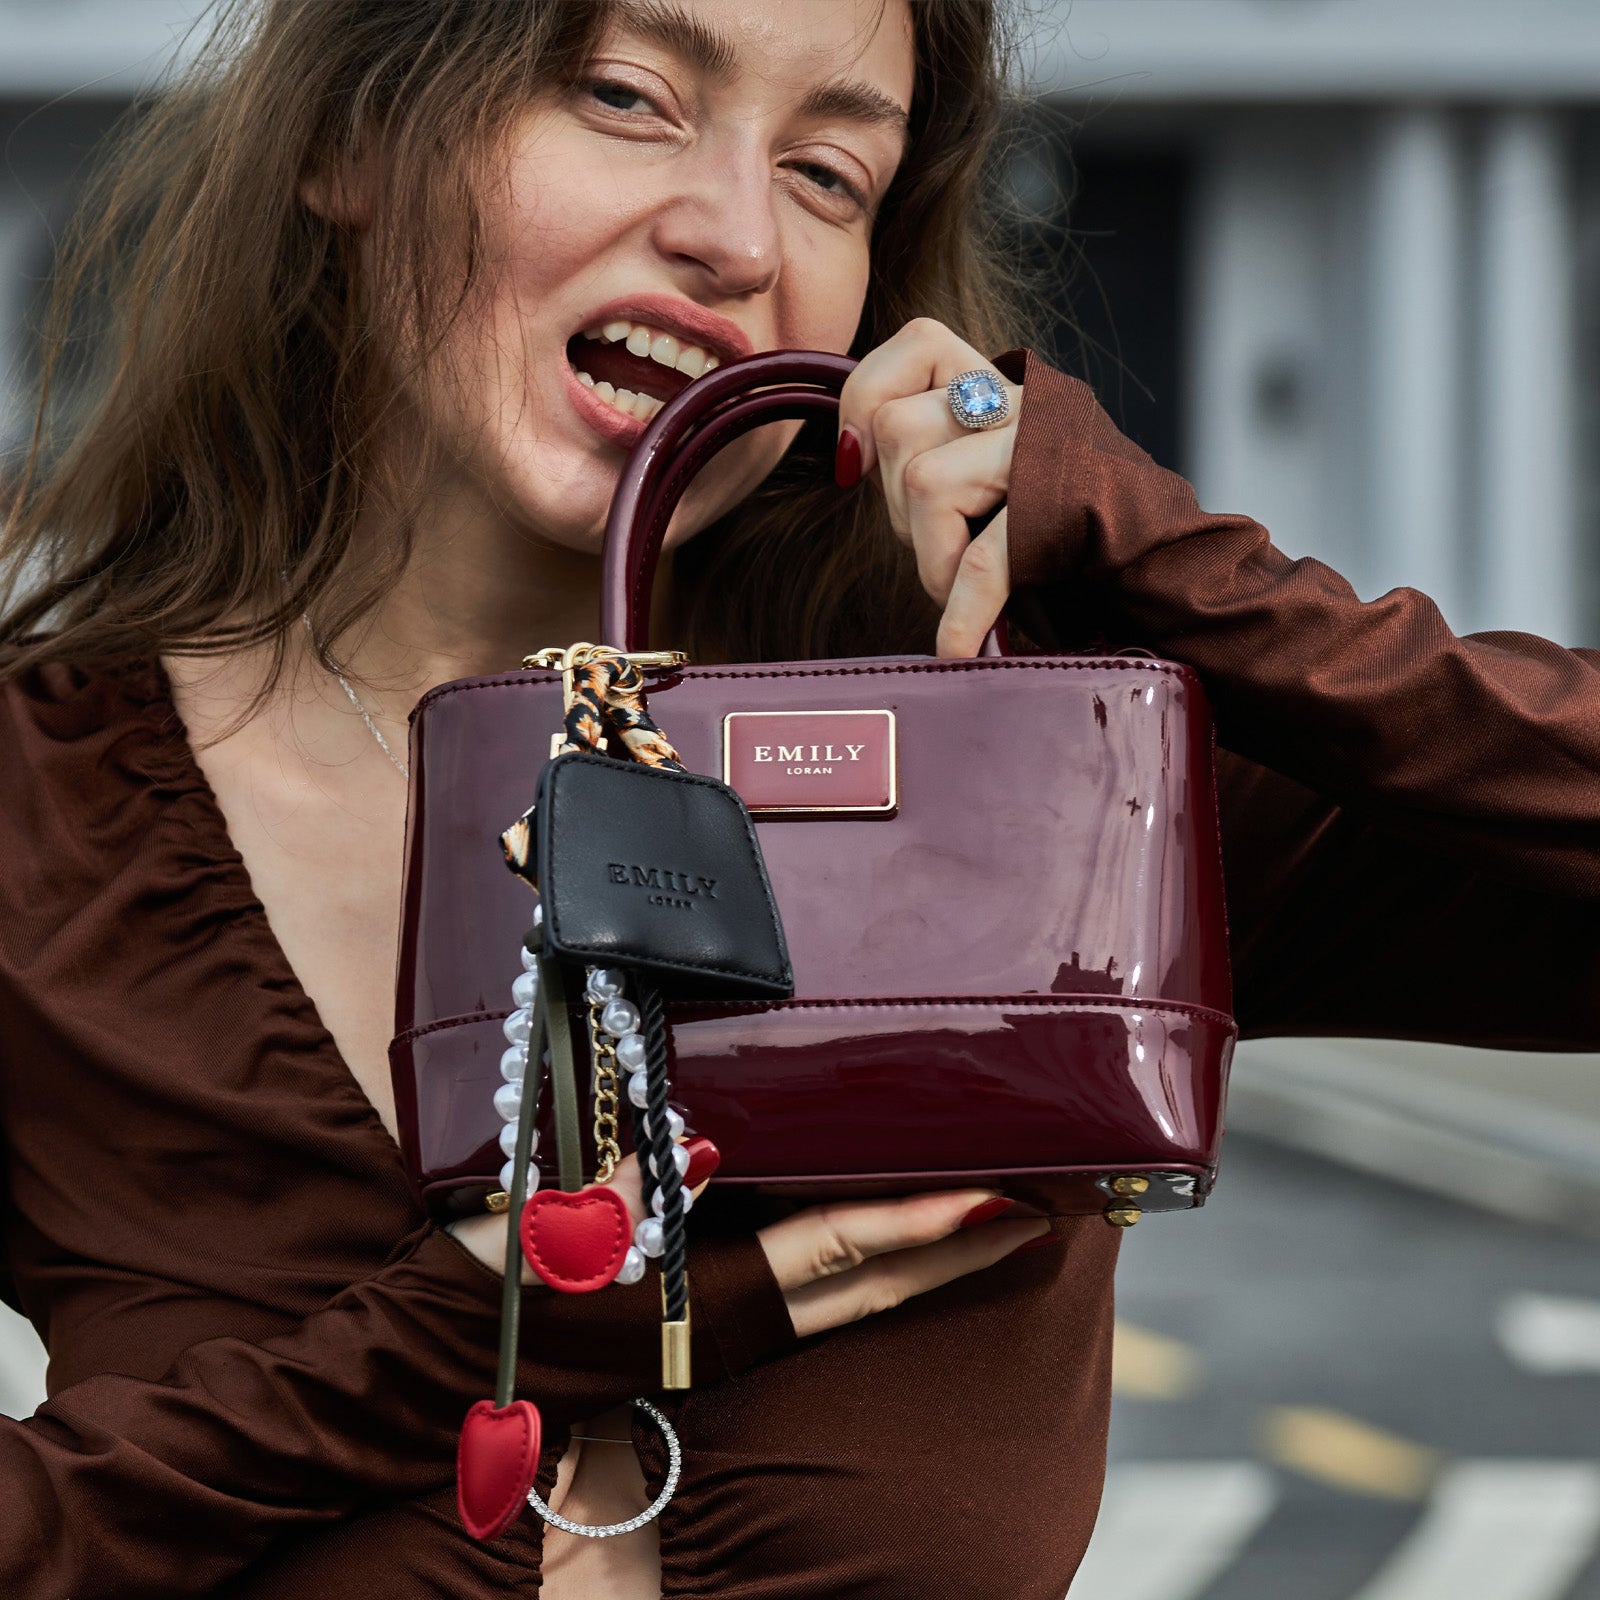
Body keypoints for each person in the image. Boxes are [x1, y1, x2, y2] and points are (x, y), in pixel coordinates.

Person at [1, 2, 1597, 1598]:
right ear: (351, 139)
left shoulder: (1046, 793)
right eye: (626, 96)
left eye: (831, 174)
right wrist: (445, 1353)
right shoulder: (44, 819)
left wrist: (1189, 575)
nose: (734, 235)